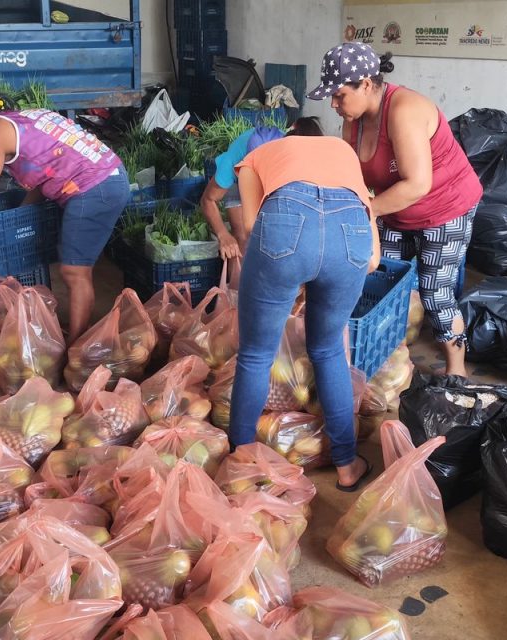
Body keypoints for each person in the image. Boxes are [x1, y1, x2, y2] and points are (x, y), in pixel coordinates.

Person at [308, 42, 482, 377]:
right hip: (396, 208)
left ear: (368, 85)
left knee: (435, 291)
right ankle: (385, 353)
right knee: (376, 275)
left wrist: (366, 210)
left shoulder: (404, 110)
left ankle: (457, 372)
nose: (333, 104)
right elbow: (351, 174)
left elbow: (417, 184)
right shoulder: (353, 118)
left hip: (446, 208)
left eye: (340, 95)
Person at [227, 130, 381, 492]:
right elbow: (373, 259)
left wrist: (290, 277)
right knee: (328, 352)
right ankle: (347, 466)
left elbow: (251, 226)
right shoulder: (342, 152)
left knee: (256, 355)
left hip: (285, 225)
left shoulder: (253, 160)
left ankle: (242, 459)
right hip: (352, 233)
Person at [0, 91, 131, 341]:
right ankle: (77, 335)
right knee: (77, 269)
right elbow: (43, 179)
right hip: (107, 178)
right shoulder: (27, 118)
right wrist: (19, 216)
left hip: (93, 187)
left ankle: (75, 346)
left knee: (74, 272)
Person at [199, 117, 326, 264]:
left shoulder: (291, 161)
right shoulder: (232, 162)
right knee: (242, 238)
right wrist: (223, 234)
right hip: (238, 179)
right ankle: (237, 284)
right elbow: (208, 200)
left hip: (277, 177)